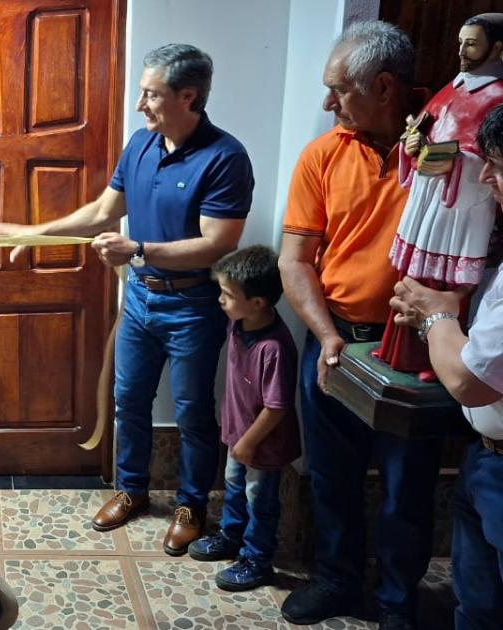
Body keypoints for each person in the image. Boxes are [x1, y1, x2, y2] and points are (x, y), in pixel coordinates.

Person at [0, 43, 253, 555]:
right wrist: (36, 230)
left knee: (192, 411)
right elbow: (101, 210)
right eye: (142, 92)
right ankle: (132, 490)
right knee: (127, 399)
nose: (140, 104)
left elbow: (219, 243)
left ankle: (191, 504)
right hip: (140, 300)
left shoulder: (225, 157)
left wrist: (137, 248)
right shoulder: (141, 143)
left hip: (193, 306)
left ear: (189, 95)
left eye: (151, 95)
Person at [278, 22, 437, 629]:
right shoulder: (324, 153)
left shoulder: (442, 151)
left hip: (414, 351)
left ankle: (399, 602)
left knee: (406, 488)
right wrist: (325, 336)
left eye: (340, 89)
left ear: (385, 86)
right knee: (332, 476)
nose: (328, 103)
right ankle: (338, 581)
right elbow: (297, 259)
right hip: (335, 341)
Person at [390, 102, 503, 630]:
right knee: (476, 604)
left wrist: (435, 315)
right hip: (485, 456)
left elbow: (467, 381)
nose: (485, 176)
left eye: (498, 166)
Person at [375, 13, 503, 380]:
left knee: (446, 281)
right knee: (413, 271)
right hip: (431, 195)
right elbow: (422, 129)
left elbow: (484, 156)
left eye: (472, 43)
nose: (462, 51)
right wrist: (412, 146)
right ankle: (397, 346)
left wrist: (448, 159)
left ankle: (433, 358)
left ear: (497, 48)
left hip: (462, 203)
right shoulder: (453, 87)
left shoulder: (497, 99)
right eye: (460, 42)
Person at [187, 246, 300, 592]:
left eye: (227, 294)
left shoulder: (274, 348)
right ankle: (231, 537)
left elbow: (277, 406)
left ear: (258, 302)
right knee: (234, 490)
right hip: (238, 436)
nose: (221, 300)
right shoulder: (239, 325)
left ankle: (257, 559)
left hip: (261, 445)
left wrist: (249, 441)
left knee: (260, 501)